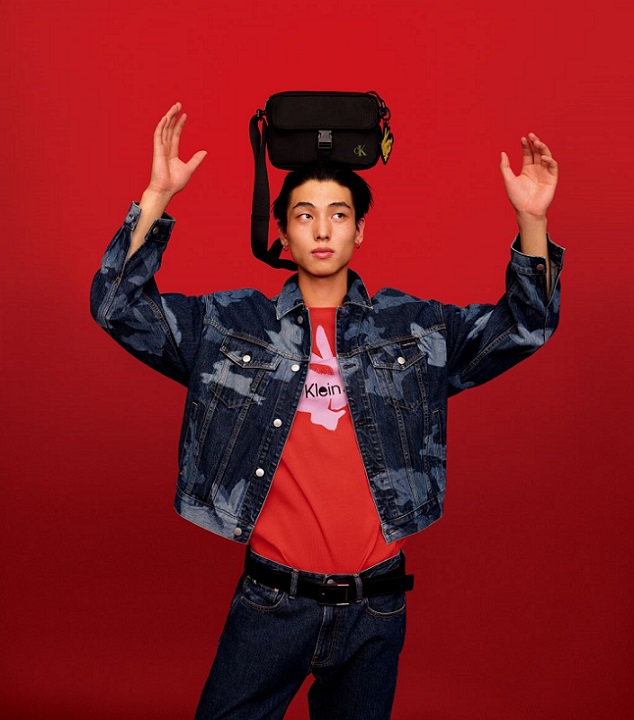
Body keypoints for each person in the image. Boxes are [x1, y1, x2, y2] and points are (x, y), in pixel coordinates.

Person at [90, 102, 563, 720]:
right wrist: (156, 197)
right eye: (304, 215)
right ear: (283, 235)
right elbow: (118, 307)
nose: (321, 230)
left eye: (338, 215)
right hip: (272, 602)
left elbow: (526, 325)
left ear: (359, 231)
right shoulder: (229, 326)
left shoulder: (413, 328)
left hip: (376, 607)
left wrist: (532, 220)